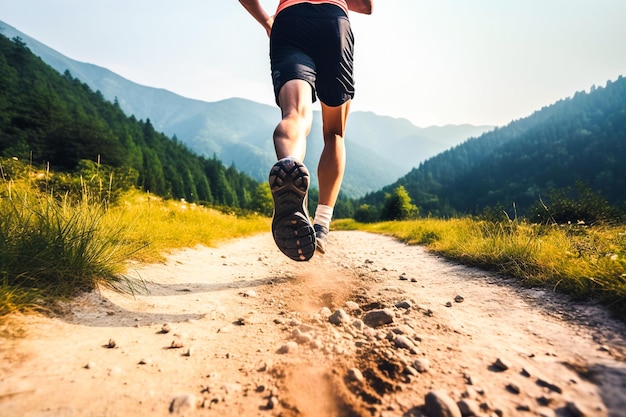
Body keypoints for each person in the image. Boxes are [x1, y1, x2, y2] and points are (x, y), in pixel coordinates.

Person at [239, 0, 373, 261]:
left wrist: (268, 21)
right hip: (333, 23)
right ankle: (321, 224)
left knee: (295, 114)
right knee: (334, 133)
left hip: (289, 21)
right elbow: (366, 5)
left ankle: (290, 165)